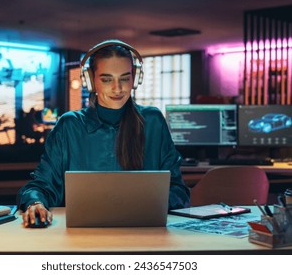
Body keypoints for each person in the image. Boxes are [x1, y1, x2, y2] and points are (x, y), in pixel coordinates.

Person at [17, 39, 190, 227]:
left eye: (125, 78)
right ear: (91, 81)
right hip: (81, 238)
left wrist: (142, 205)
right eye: (107, 79)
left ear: (135, 78)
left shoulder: (153, 121)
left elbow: (179, 190)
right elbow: (40, 185)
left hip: (143, 232)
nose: (118, 88)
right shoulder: (69, 126)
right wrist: (35, 202)